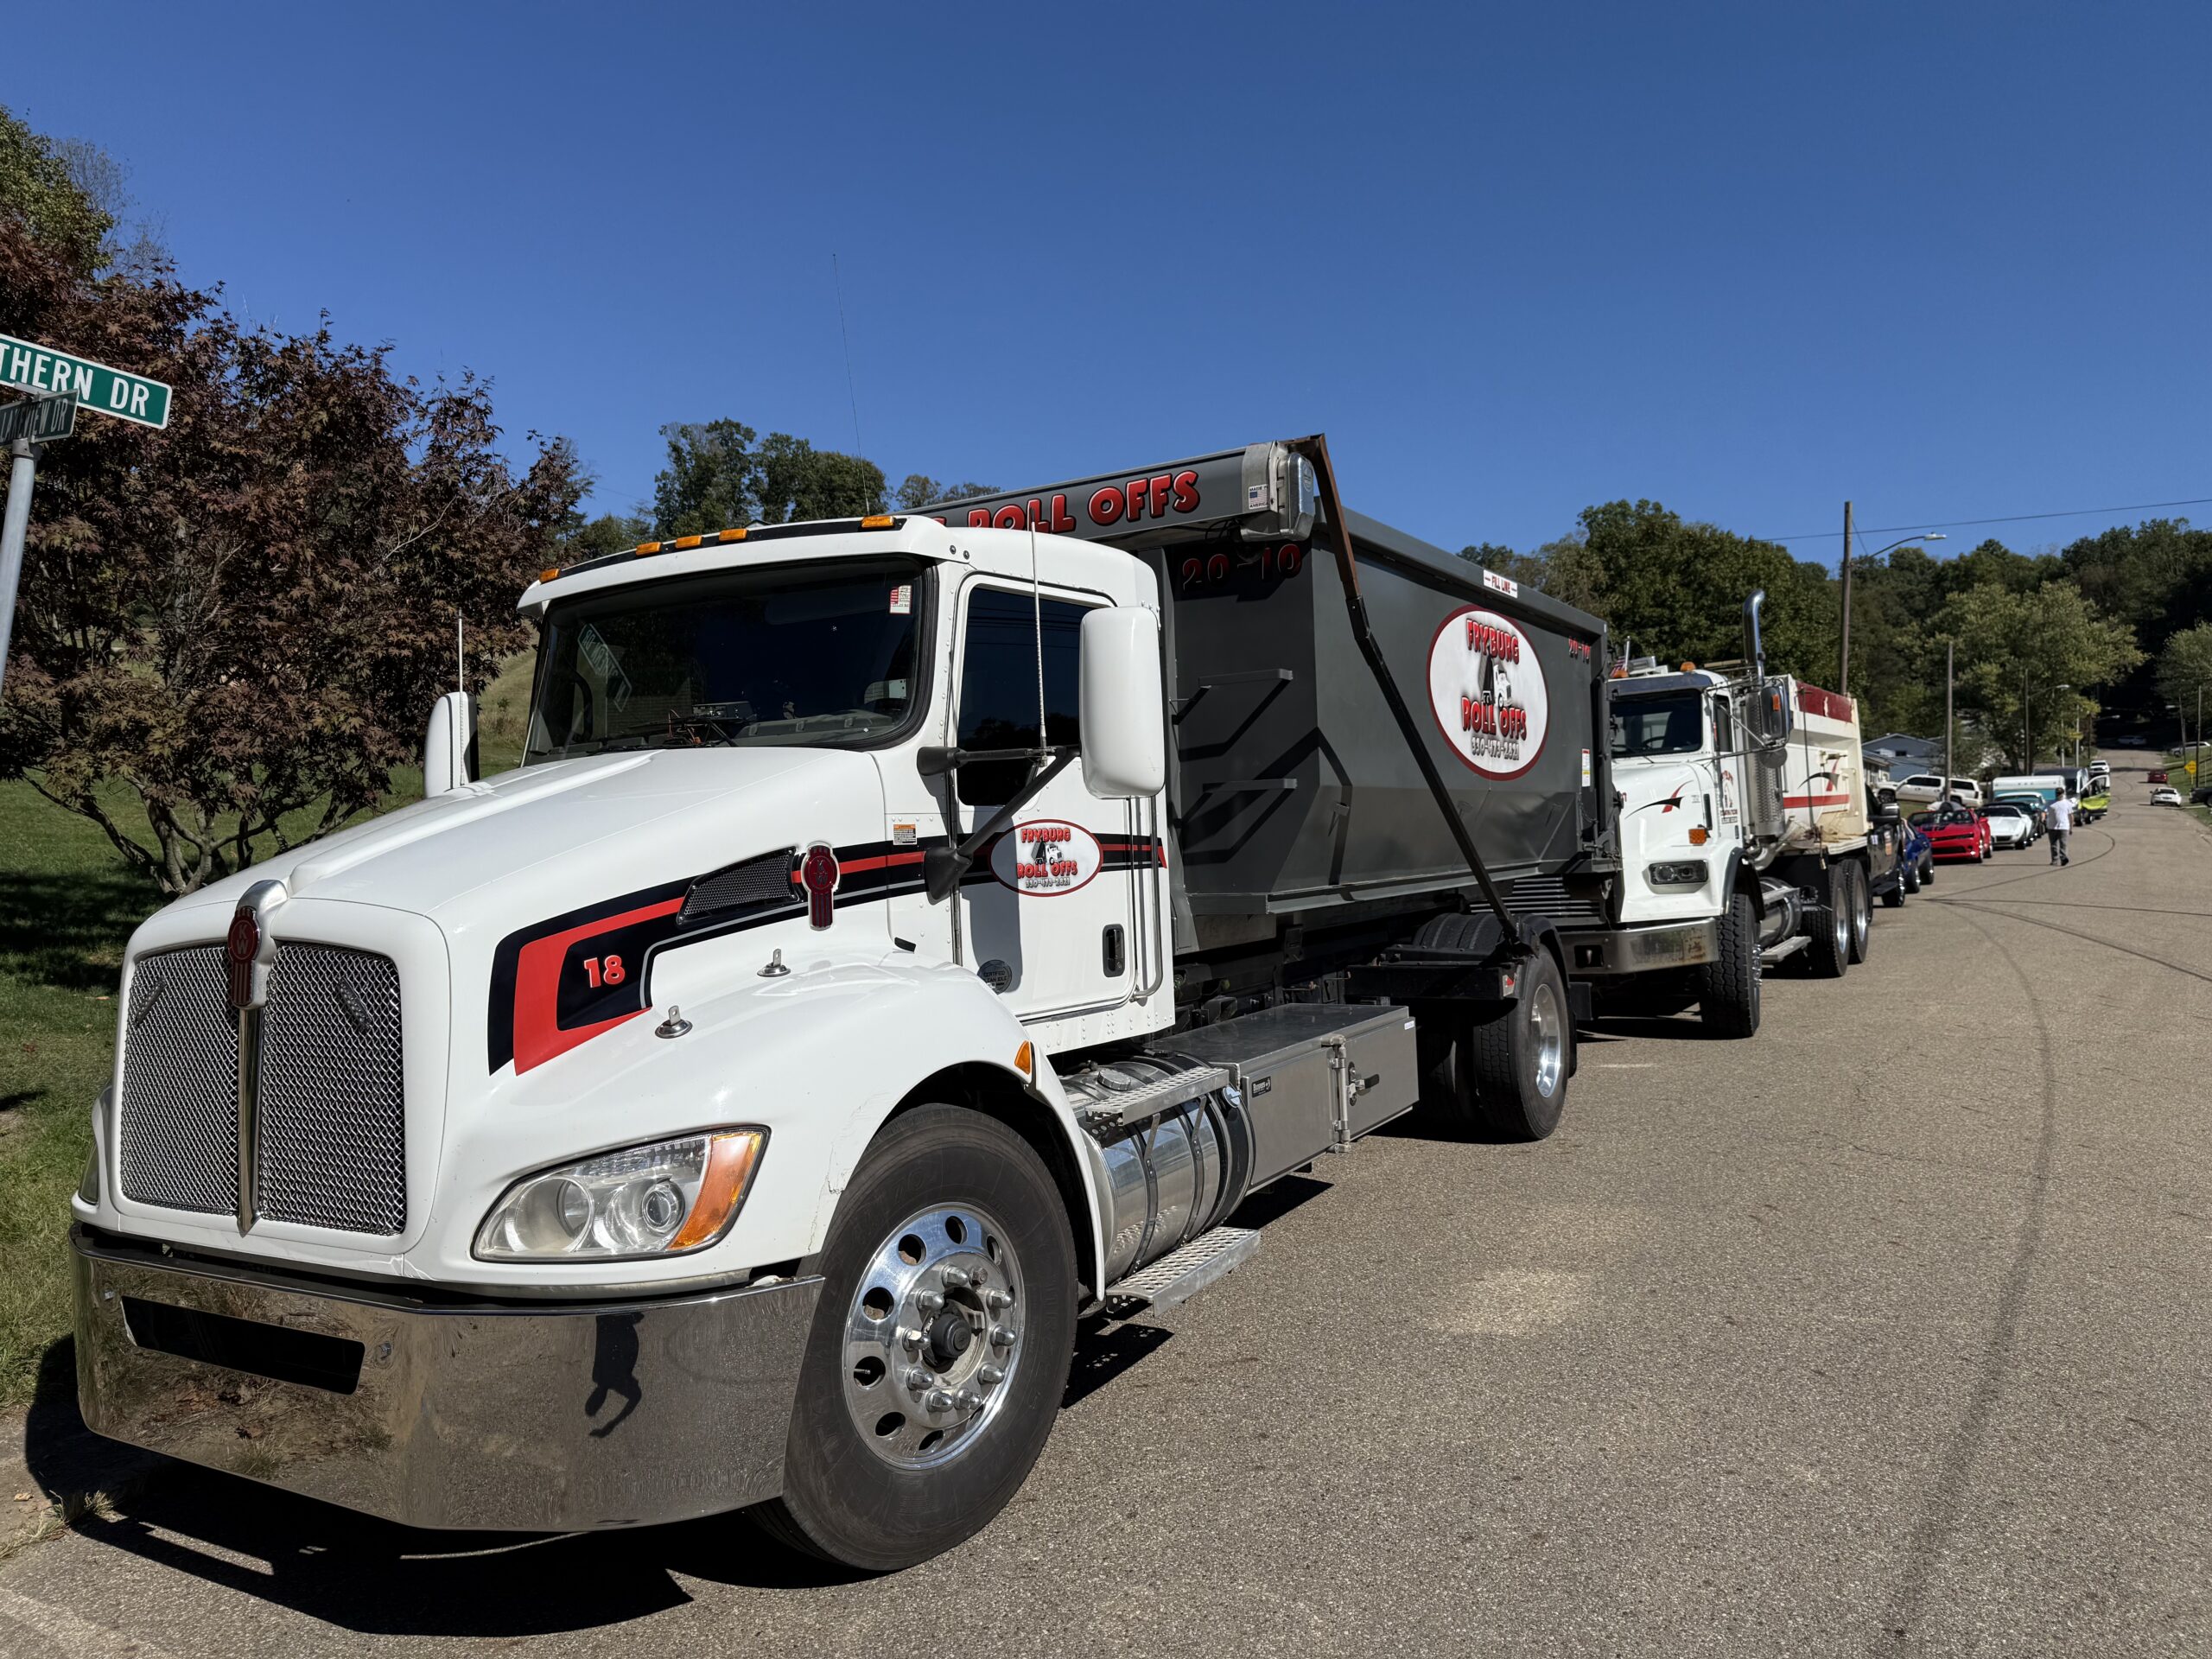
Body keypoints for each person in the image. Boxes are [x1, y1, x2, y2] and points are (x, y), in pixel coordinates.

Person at [2045, 787, 2075, 866]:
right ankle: (2054, 860)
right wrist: (2043, 818)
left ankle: (2063, 858)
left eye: (2060, 793)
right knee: (2053, 845)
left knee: (2063, 844)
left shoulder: (2067, 803)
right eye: (2057, 793)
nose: (2058, 795)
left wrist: (2071, 828)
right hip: (2052, 827)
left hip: (2064, 827)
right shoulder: (2050, 803)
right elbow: (2043, 811)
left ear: (2063, 793)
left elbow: (2071, 816)